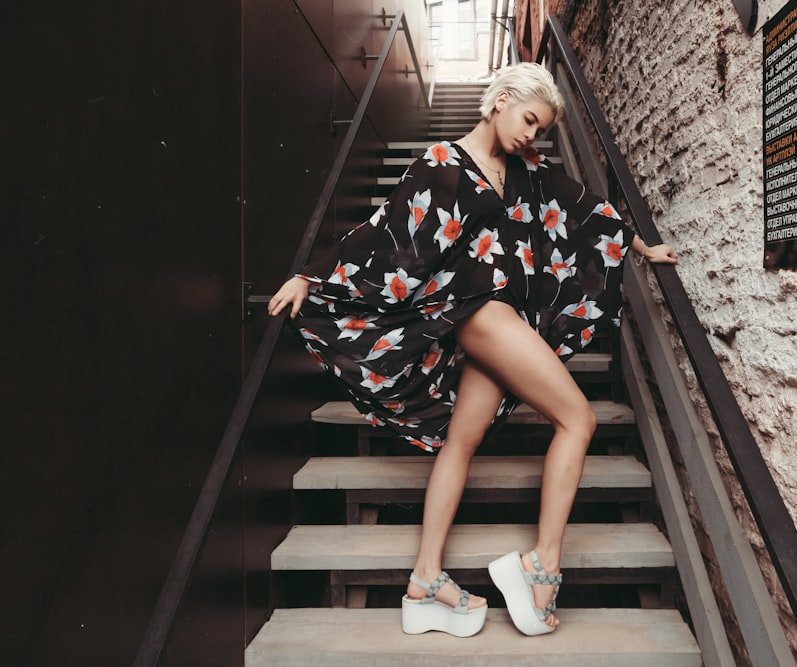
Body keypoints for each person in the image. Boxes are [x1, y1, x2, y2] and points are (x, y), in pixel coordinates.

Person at [268, 62, 678, 637]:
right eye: (529, 121)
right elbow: (382, 230)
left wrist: (641, 247)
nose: (531, 136)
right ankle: (541, 566)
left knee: (462, 441)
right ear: (502, 98)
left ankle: (425, 581)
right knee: (579, 419)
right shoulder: (441, 164)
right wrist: (311, 277)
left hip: (500, 314)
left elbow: (584, 205)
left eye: (540, 130)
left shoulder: (525, 168)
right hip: (479, 312)